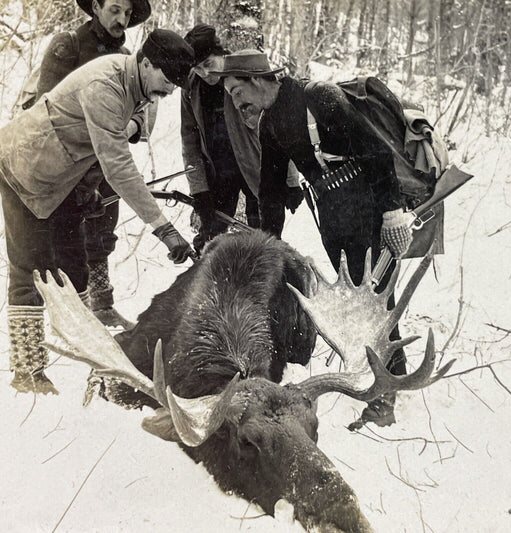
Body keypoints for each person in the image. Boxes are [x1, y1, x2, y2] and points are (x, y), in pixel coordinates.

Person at [215, 50, 415, 427]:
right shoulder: (269, 123)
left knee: (375, 298)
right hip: (333, 213)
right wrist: (266, 249)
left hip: (368, 204)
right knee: (353, 294)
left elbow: (376, 151)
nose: (235, 101)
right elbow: (270, 192)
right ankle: (373, 378)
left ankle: (388, 393)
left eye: (236, 90)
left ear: (258, 80)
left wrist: (391, 211)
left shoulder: (319, 97)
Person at [0, 29, 195, 394]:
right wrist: (163, 228)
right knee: (31, 270)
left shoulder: (136, 86)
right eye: (166, 82)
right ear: (146, 63)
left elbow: (94, 140)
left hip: (60, 179)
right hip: (22, 169)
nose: (169, 92)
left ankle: (77, 359)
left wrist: (85, 188)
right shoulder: (105, 85)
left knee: (73, 270)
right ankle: (27, 373)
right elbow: (118, 165)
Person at [34, 0, 151, 329]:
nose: (122, 20)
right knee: (65, 238)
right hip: (68, 163)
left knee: (102, 233)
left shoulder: (129, 59)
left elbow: (140, 109)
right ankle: (66, 316)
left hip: (106, 164)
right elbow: (44, 104)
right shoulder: (67, 46)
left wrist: (131, 126)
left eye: (127, 14)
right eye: (115, 9)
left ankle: (102, 305)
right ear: (96, 7)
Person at [180, 24, 261, 252]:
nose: (205, 73)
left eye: (208, 64)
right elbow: (189, 140)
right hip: (218, 173)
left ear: (221, 55)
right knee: (208, 241)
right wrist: (199, 189)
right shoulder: (190, 88)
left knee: (264, 237)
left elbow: (275, 127)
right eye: (197, 68)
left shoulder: (244, 74)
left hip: (254, 170)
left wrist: (290, 180)